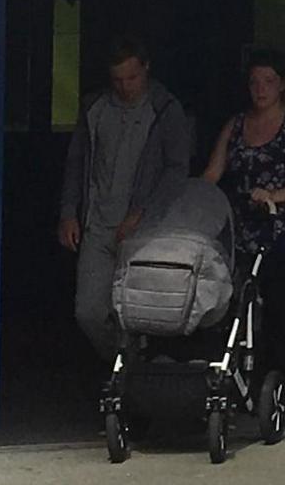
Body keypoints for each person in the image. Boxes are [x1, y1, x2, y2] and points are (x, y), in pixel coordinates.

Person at [61, 41, 193, 351]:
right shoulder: (94, 107)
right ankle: (121, 363)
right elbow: (76, 162)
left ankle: (130, 374)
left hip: (146, 230)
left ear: (146, 68)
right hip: (97, 225)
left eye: (132, 78)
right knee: (89, 313)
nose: (124, 86)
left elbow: (176, 169)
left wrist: (142, 212)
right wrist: (69, 211)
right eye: (117, 79)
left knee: (140, 312)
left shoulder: (165, 109)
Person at [201, 49, 285, 268]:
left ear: (282, 84)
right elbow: (212, 173)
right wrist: (190, 198)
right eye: (254, 83)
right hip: (241, 234)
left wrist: (273, 196)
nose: (261, 89)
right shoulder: (235, 125)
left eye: (268, 81)